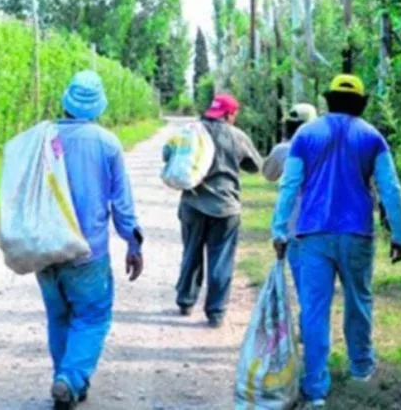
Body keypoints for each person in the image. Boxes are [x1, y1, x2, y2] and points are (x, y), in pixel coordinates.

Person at [270, 74, 401, 407]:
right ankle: (361, 367)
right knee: (358, 302)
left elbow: (289, 185)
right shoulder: (373, 137)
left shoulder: (306, 134)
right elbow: (390, 189)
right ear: (361, 103)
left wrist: (279, 228)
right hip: (356, 234)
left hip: (313, 234)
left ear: (329, 100)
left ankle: (315, 388)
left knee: (314, 309)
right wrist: (399, 234)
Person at [38, 70, 145, 410]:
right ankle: (69, 378)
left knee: (59, 316)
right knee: (93, 315)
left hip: (45, 249)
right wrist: (133, 242)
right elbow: (121, 203)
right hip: (88, 252)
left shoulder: (42, 138)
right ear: (98, 106)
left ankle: (67, 378)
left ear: (66, 102)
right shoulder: (107, 143)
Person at [171, 93, 262, 328]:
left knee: (191, 252)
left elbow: (168, 155)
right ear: (230, 114)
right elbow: (255, 166)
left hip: (192, 203)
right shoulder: (237, 136)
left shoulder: (191, 131)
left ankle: (185, 300)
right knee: (220, 258)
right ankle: (216, 311)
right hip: (225, 208)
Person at [261, 103, 317, 319]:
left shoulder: (283, 150)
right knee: (319, 281)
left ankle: (308, 322)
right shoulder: (325, 148)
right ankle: (311, 323)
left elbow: (268, 174)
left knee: (302, 279)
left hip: (293, 224)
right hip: (322, 223)